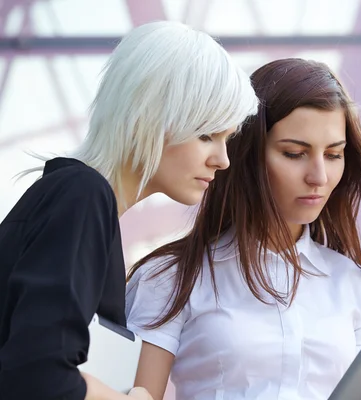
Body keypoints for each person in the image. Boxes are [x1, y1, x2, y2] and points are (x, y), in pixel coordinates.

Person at [125, 58, 361, 400]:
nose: (319, 177)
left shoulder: (358, 288)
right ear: (246, 154)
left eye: (333, 154)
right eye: (295, 153)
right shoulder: (169, 278)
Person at [0, 21, 258, 400]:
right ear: (149, 117)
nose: (223, 160)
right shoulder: (83, 197)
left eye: (227, 139)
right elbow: (39, 374)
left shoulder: (73, 200)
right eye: (207, 135)